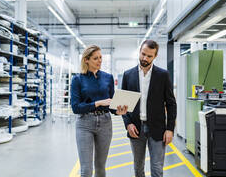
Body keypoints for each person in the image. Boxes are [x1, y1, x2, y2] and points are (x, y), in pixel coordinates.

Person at [121, 40, 177, 177]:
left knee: (157, 168)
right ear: (139, 51)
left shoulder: (163, 75)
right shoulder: (128, 75)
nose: (145, 58)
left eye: (149, 56)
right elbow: (123, 105)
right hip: (136, 127)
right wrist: (128, 124)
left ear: (155, 56)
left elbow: (171, 104)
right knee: (138, 168)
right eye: (143, 54)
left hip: (157, 128)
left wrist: (170, 129)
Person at [71, 45, 127, 177]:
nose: (100, 60)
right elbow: (75, 108)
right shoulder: (77, 79)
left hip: (105, 123)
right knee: (86, 169)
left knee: (101, 167)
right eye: (95, 58)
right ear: (86, 60)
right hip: (84, 124)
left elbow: (111, 104)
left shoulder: (108, 78)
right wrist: (97, 103)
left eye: (101, 57)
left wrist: (118, 111)